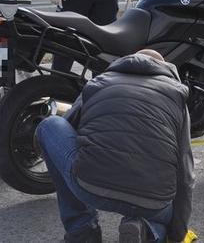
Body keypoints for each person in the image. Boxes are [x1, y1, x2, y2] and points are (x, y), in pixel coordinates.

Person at [36, 50, 194, 243]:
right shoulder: (176, 97)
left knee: (50, 126)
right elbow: (185, 175)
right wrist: (177, 234)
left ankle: (82, 231)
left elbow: (69, 127)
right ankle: (147, 229)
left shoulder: (99, 82)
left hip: (92, 186)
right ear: (166, 70)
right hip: (153, 200)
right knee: (163, 217)